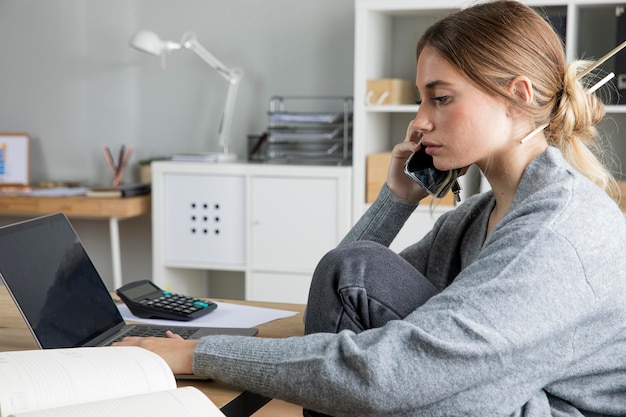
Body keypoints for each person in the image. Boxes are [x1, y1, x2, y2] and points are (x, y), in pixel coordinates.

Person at [114, 0, 626, 415]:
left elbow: (395, 369)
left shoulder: (555, 233)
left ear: (517, 97)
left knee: (378, 378)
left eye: (440, 98)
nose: (420, 121)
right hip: (490, 388)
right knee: (353, 270)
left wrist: (196, 353)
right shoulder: (478, 217)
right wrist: (397, 200)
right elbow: (341, 291)